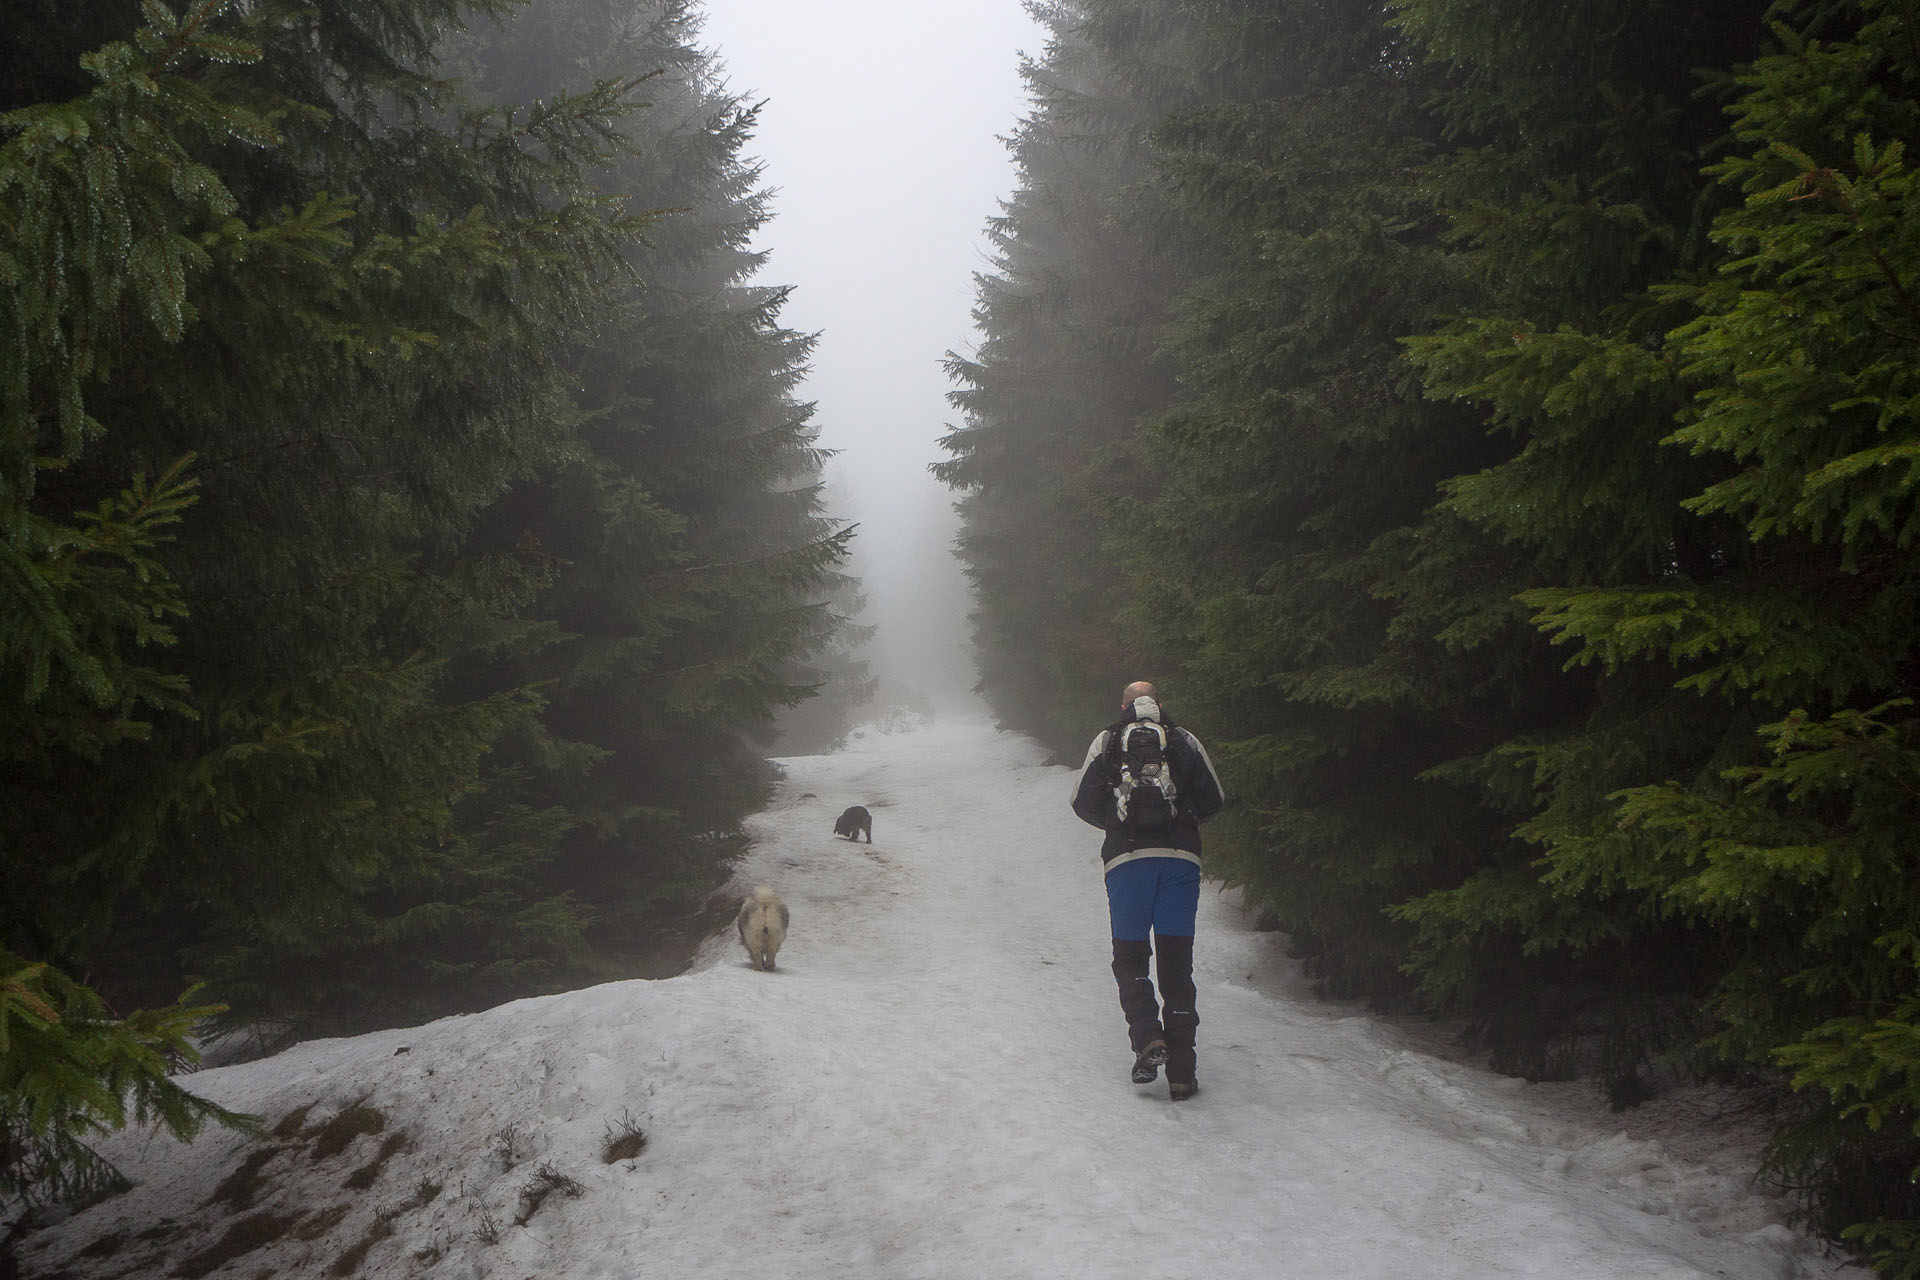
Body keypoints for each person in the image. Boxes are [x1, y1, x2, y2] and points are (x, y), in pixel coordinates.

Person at [1071, 680, 1224, 1100]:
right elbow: (1214, 799)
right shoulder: (1183, 739)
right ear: (1160, 703)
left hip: (1128, 864)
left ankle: (1148, 1038)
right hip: (1179, 862)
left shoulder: (1107, 741)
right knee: (1177, 965)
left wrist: (1120, 824)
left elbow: (1081, 802)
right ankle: (1182, 1075)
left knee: (1130, 957)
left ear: (1123, 705)